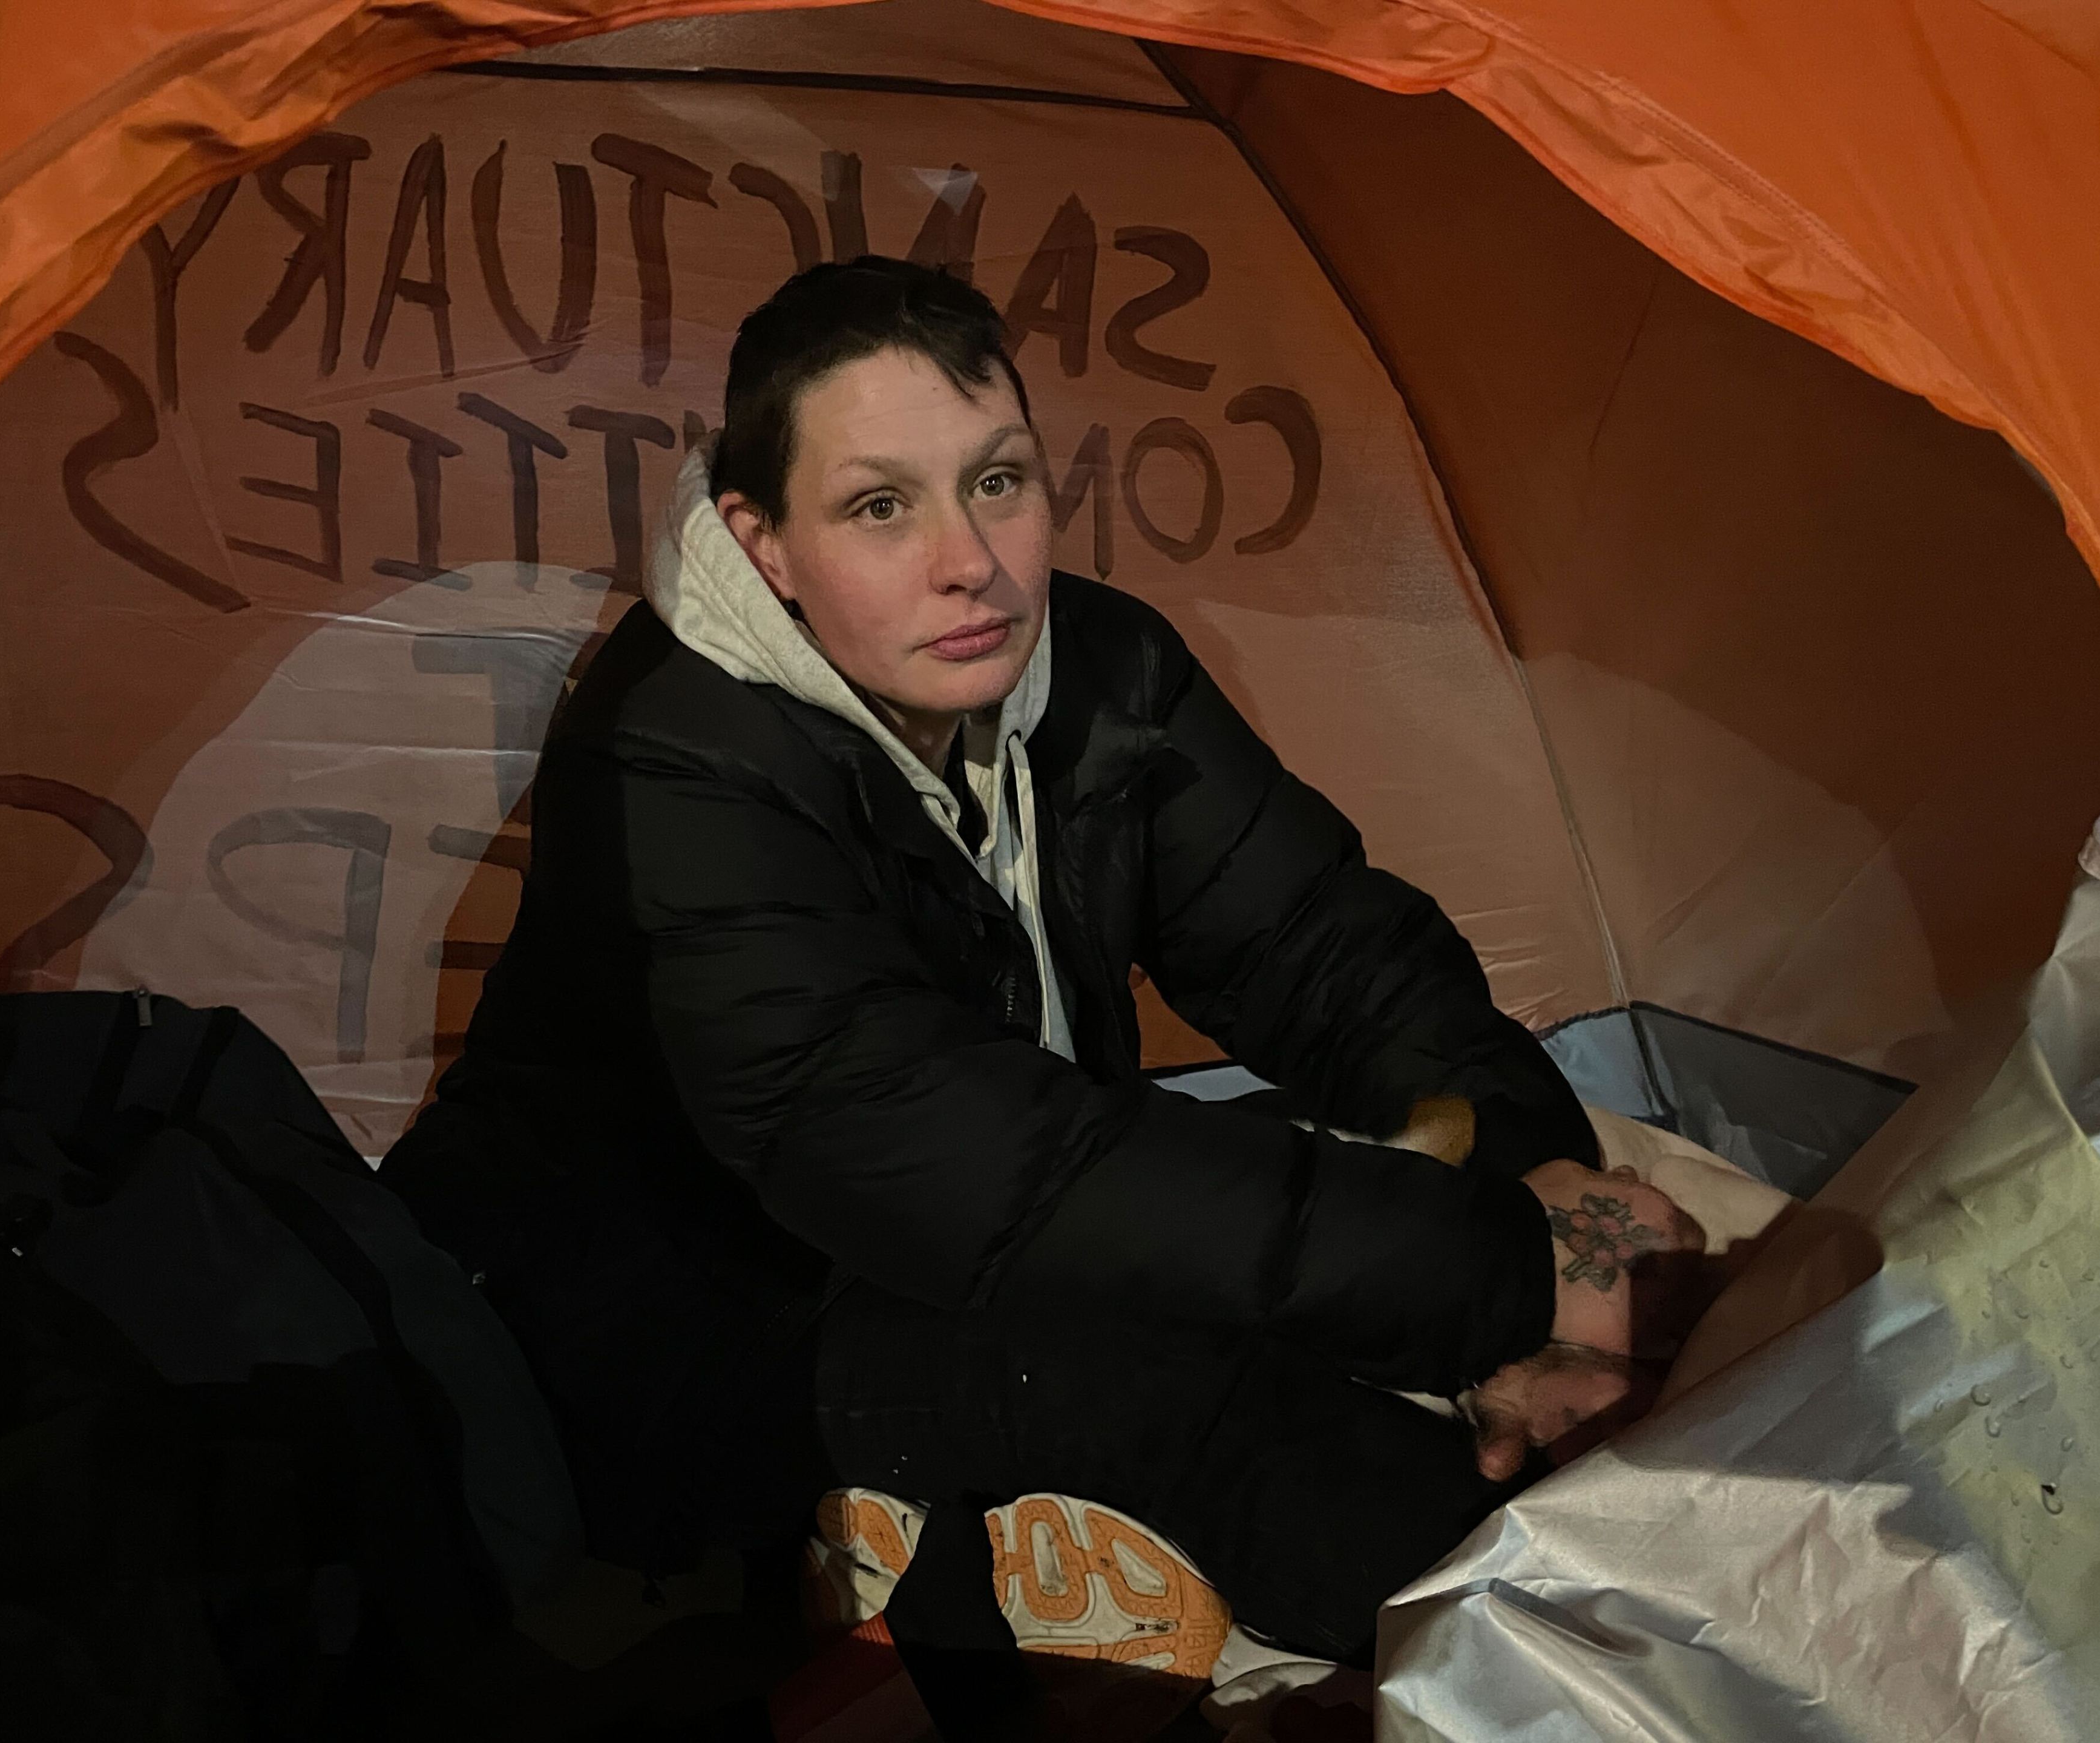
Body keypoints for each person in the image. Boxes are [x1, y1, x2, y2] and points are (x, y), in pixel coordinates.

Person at [381, 257, 1703, 1674]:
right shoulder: (677, 760)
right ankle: (1619, 1670)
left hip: (978, 1229)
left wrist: (1547, 1203)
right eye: (881, 506)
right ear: (763, 545)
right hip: (660, 1327)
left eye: (998, 481)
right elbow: (949, 1158)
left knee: (1370, 1188)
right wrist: (1508, 1273)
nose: (971, 559)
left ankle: (1666, 1539)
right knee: (1188, 1377)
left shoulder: (1101, 674)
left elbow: (1333, 955)